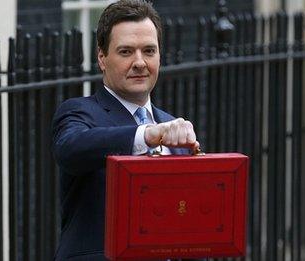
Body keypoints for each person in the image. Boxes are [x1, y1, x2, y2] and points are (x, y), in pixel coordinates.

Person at [51, 0, 199, 259]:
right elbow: (70, 148)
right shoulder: (78, 113)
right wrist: (146, 135)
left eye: (149, 51)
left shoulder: (175, 127)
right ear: (102, 58)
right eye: (126, 51)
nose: (140, 62)